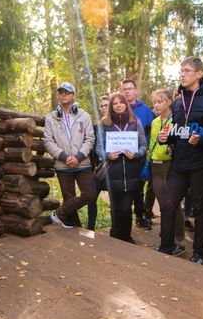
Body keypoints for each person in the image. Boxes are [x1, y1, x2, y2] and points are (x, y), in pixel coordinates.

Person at [156, 57, 203, 264]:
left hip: (201, 164)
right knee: (168, 204)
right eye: (181, 71)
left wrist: (202, 139)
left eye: (187, 71)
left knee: (201, 209)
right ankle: (166, 247)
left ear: (199, 73)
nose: (182, 74)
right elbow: (177, 132)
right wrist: (167, 137)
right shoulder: (177, 102)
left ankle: (199, 254)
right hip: (179, 163)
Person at [44, 82, 96, 229]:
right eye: (61, 92)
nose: (64, 95)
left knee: (90, 194)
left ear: (73, 95)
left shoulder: (84, 116)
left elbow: (90, 139)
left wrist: (78, 157)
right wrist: (64, 157)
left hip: (82, 163)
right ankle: (75, 228)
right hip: (62, 165)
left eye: (67, 92)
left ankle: (59, 213)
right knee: (69, 199)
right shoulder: (51, 118)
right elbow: (48, 141)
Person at [95, 92, 147, 242]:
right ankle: (116, 235)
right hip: (113, 172)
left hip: (131, 172)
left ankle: (126, 236)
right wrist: (107, 155)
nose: (118, 105)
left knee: (126, 207)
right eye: (115, 103)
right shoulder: (103, 124)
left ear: (126, 104)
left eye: (121, 102)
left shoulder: (135, 122)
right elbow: (98, 148)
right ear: (111, 106)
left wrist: (136, 154)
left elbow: (143, 145)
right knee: (116, 208)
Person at [149, 89, 184, 246]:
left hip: (170, 165)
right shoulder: (155, 122)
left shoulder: (176, 120)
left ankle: (179, 240)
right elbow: (151, 144)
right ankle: (167, 237)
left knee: (173, 204)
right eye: (155, 102)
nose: (156, 105)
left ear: (169, 101)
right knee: (163, 204)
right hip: (155, 166)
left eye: (160, 101)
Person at [121, 79, 155, 230]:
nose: (127, 91)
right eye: (124, 89)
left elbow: (151, 131)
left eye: (130, 89)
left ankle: (140, 216)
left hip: (140, 154)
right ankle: (123, 218)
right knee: (126, 187)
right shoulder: (118, 108)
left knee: (139, 186)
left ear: (136, 91)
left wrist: (145, 148)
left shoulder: (145, 110)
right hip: (121, 156)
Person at [87, 95, 110, 231]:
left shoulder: (117, 127)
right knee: (91, 199)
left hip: (113, 169)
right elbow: (91, 149)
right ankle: (90, 229)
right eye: (102, 105)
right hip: (98, 169)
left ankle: (116, 231)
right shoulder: (96, 127)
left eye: (106, 105)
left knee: (116, 202)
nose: (103, 108)